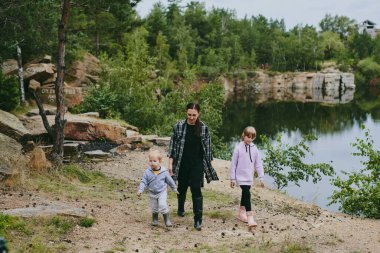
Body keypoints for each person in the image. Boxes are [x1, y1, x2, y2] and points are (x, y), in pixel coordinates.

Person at [168, 102, 219, 231]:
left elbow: (208, 149)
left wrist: (209, 165)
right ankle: (181, 207)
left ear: (198, 114)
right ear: (186, 113)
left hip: (197, 164)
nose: (191, 117)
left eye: (194, 115)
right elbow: (172, 147)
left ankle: (198, 220)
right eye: (189, 114)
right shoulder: (178, 126)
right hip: (181, 163)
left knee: (196, 189)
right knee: (182, 187)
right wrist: (170, 164)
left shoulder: (204, 128)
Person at [230, 126, 265, 228]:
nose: (250, 139)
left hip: (249, 177)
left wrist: (261, 177)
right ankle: (250, 217)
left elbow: (258, 164)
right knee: (247, 193)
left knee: (245, 194)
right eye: (248, 137)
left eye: (252, 137)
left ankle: (241, 213)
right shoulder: (238, 148)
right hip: (240, 177)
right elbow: (233, 164)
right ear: (243, 136)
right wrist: (232, 178)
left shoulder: (255, 149)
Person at [137, 149, 179, 227]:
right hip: (152, 192)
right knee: (154, 207)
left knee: (162, 205)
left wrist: (175, 189)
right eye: (150, 161)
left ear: (160, 161)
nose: (152, 163)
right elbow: (143, 181)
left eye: (154, 161)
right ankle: (155, 220)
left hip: (162, 192)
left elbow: (170, 181)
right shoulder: (147, 172)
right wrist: (140, 190)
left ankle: (167, 220)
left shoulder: (164, 172)